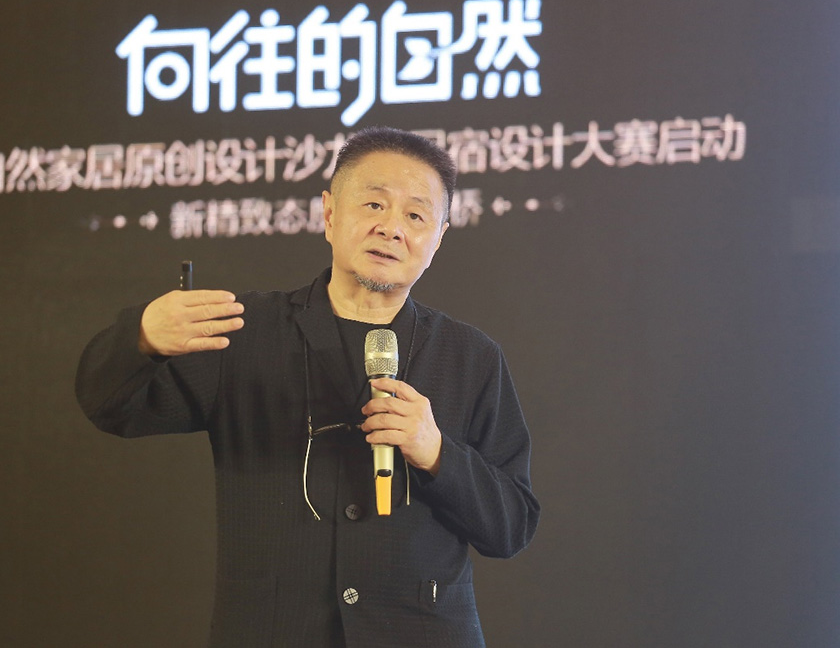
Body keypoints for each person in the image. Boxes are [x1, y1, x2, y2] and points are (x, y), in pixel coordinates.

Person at [75, 125, 539, 647]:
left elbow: (512, 526)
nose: (391, 228)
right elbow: (110, 407)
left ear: (439, 238)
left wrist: (437, 453)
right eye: (373, 204)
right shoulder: (244, 332)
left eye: (415, 215)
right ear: (330, 213)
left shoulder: (471, 356)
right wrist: (141, 339)